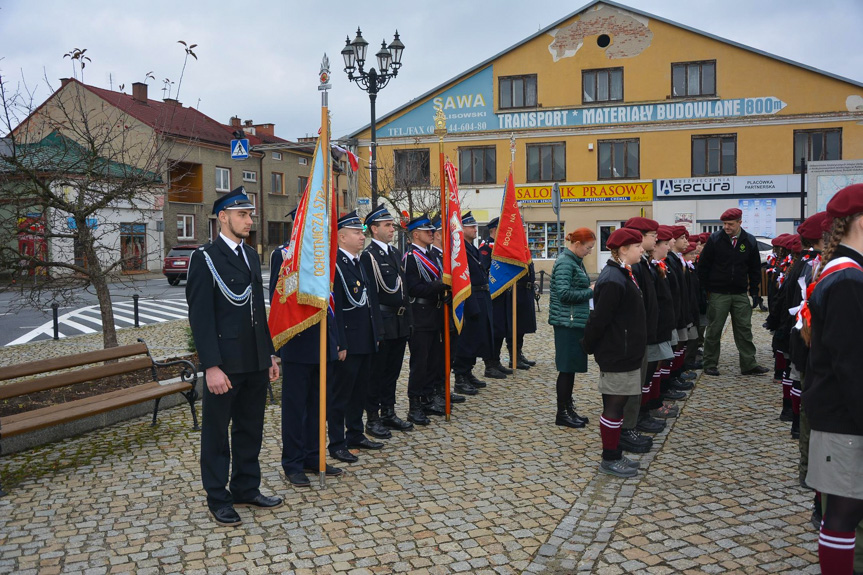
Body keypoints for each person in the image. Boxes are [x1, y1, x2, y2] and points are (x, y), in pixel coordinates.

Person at [186, 186, 283, 526]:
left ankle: (246, 487)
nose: (249, 220)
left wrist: (270, 354)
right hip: (225, 364)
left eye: (250, 214)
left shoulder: (251, 256)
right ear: (223, 218)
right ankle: (218, 498)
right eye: (242, 214)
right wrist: (210, 366)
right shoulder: (205, 258)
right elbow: (200, 317)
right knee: (216, 434)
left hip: (254, 360)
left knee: (250, 429)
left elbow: (259, 308)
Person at [801, 184, 863, 574]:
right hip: (844, 416)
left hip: (841, 411)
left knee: (845, 510)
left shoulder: (846, 274)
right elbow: (851, 363)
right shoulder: (848, 280)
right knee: (842, 512)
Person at [270, 229, 344, 488]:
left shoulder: (324, 257)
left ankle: (315, 456)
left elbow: (335, 302)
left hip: (324, 342)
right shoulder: (283, 256)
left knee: (318, 406)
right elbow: (279, 298)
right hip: (298, 343)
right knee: (295, 408)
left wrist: (337, 341)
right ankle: (293, 462)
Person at [583, 227, 646, 478]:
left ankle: (616, 452)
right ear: (623, 250)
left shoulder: (622, 273)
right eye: (637, 246)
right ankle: (609, 459)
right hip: (617, 352)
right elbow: (600, 319)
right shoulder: (612, 278)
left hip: (625, 350)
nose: (642, 250)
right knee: (613, 406)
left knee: (618, 407)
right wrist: (588, 346)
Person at [328, 211, 383, 463]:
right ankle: (337, 442)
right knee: (341, 395)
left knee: (359, 391)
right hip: (348, 342)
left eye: (362, 232)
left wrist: (376, 333)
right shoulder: (335, 265)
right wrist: (339, 342)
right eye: (357, 233)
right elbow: (335, 308)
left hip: (365, 338)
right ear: (341, 237)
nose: (362, 237)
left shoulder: (358, 261)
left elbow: (371, 301)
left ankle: (356, 433)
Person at [361, 205, 416, 437]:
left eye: (392, 225)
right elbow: (371, 295)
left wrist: (410, 321)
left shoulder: (394, 254)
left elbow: (403, 290)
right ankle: (372, 418)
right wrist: (377, 328)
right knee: (377, 373)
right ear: (374, 229)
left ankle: (389, 412)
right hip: (383, 320)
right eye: (387, 225)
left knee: (393, 371)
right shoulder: (368, 256)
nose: (392, 229)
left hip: (399, 321)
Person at [698, 208, 769, 376]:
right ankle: (709, 363)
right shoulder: (715, 239)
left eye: (730, 224)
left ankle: (749, 364)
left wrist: (754, 292)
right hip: (719, 293)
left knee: (744, 329)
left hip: (739, 293)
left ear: (740, 222)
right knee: (714, 329)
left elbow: (754, 269)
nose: (726, 227)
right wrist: (707, 289)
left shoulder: (749, 240)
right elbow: (704, 266)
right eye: (724, 224)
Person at [404, 214, 449, 425]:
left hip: (435, 313)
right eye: (427, 231)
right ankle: (415, 405)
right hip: (420, 315)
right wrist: (437, 287)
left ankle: (428, 397)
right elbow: (413, 287)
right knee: (420, 363)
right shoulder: (411, 258)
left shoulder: (432, 255)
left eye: (432, 230)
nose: (432, 233)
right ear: (415, 234)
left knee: (434, 360)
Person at [548, 227, 594, 429]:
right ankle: (562, 413)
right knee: (566, 369)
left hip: (574, 321)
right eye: (588, 247)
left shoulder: (574, 261)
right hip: (567, 322)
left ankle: (568, 408)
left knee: (571, 368)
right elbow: (564, 294)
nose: (590, 251)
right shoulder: (565, 263)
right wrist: (590, 291)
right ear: (576, 245)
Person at [453, 212, 494, 393]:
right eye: (470, 226)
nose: (475, 229)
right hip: (470, 296)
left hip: (481, 295)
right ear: (461, 230)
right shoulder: (460, 249)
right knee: (467, 338)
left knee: (478, 336)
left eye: (475, 226)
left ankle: (468, 371)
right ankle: (460, 376)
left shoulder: (473, 248)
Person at [429, 215, 467, 404]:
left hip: (451, 311)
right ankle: (437, 390)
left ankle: (445, 388)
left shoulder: (448, 256)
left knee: (450, 353)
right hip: (438, 313)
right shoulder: (431, 256)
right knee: (438, 356)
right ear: (437, 235)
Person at [479, 218, 513, 379]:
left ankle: (496, 360)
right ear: (494, 230)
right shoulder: (486, 248)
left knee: (501, 329)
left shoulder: (500, 248)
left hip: (503, 295)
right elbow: (485, 270)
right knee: (493, 330)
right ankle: (489, 364)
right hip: (492, 295)